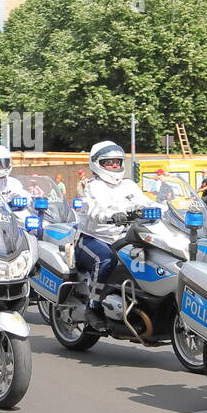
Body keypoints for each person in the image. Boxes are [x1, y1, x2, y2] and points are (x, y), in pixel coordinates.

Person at [76, 141, 149, 330]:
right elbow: (94, 210)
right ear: (97, 164)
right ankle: (93, 306)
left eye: (118, 162)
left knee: (149, 256)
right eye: (110, 163)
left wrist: (169, 211)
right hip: (93, 239)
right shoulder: (94, 186)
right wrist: (109, 216)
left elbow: (147, 202)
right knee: (105, 259)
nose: (115, 167)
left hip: (124, 239)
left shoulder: (129, 185)